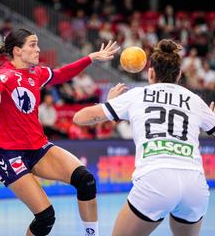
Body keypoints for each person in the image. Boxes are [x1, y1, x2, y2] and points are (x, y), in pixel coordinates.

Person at [0, 28, 120, 236]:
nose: (38, 49)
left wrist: (90, 58)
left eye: (37, 44)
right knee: (45, 217)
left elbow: (61, 74)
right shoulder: (3, 76)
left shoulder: (36, 73)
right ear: (17, 51)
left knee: (85, 180)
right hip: (9, 154)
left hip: (38, 148)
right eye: (32, 45)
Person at [73, 39, 215, 236]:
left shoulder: (137, 95)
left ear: (151, 73)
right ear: (179, 75)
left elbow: (79, 118)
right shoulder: (195, 100)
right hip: (194, 183)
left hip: (156, 179)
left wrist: (110, 105)